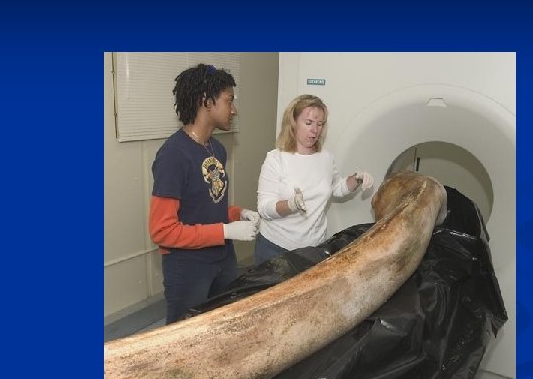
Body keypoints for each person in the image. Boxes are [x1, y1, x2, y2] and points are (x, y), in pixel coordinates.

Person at [148, 64, 261, 324]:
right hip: (188, 267)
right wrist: (225, 231)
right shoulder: (173, 155)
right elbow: (162, 231)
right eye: (229, 101)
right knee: (185, 335)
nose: (234, 109)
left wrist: (238, 214)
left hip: (223, 259)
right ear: (206, 102)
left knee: (223, 324)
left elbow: (206, 205)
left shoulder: (217, 149)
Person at [255, 94, 374, 265]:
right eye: (309, 123)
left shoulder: (325, 157)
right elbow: (264, 208)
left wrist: (357, 178)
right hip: (275, 248)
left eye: (320, 124)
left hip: (314, 247)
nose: (315, 130)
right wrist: (291, 205)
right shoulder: (276, 159)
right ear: (293, 123)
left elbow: (337, 188)